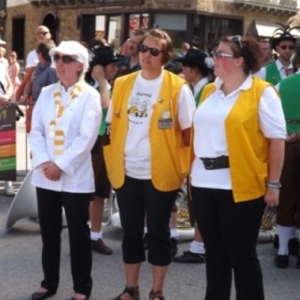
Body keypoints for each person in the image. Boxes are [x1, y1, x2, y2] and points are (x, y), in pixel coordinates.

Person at [190, 35, 286, 300]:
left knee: (242, 256)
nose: (214, 59)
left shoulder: (262, 92)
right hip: (203, 182)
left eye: (220, 54)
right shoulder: (210, 90)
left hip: (240, 184)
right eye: (215, 53)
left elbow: (277, 141)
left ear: (240, 61)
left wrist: (273, 184)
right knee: (215, 255)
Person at [105, 28, 195, 300]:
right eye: (143, 48)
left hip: (162, 172)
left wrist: (183, 169)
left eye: (154, 51)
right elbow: (112, 125)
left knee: (158, 234)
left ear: (165, 56)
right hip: (126, 170)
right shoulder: (122, 83)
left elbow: (189, 133)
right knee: (131, 234)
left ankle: (157, 291)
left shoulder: (178, 87)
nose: (146, 55)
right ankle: (131, 289)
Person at [29, 41, 101, 300]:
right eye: (57, 57)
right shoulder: (47, 92)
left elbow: (87, 138)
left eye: (66, 59)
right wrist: (45, 162)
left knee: (79, 236)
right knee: (49, 233)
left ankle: (81, 289)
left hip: (74, 177)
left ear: (80, 65)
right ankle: (49, 283)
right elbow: (35, 130)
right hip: (46, 177)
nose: (60, 63)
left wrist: (60, 165)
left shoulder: (90, 95)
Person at [173, 49, 214, 263]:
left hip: (202, 154)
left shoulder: (207, 89)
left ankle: (200, 247)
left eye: (185, 67)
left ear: (195, 70)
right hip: (198, 153)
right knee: (195, 201)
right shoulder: (198, 88)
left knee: (200, 202)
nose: (182, 70)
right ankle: (200, 245)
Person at [85, 45, 123, 255]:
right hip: (91, 143)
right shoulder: (88, 85)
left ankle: (95, 236)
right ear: (99, 67)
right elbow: (104, 106)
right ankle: (82, 236)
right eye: (112, 65)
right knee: (85, 194)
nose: (116, 68)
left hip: (106, 141)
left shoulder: (110, 84)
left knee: (100, 193)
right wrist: (101, 81)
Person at [274, 45, 300, 269]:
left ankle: (282, 251)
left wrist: (283, 134)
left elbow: (269, 115)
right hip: (290, 140)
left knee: (287, 196)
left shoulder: (282, 84)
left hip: (287, 142)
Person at [19, 39, 58, 133]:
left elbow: (56, 92)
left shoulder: (52, 70)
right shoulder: (38, 66)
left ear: (41, 54)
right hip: (36, 110)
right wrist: (25, 95)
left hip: (48, 114)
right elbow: (30, 82)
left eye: (37, 51)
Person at [15, 25, 51, 101]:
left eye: (44, 33)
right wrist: (25, 95)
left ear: (50, 35)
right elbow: (29, 78)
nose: (41, 35)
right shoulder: (32, 55)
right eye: (39, 33)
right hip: (36, 95)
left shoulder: (57, 53)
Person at [0, 65, 15, 197]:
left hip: (4, 109)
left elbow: (10, 83)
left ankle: (7, 183)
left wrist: (7, 95)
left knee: (6, 146)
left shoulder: (2, 66)